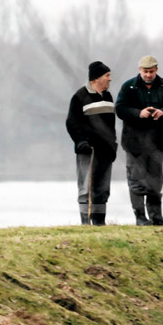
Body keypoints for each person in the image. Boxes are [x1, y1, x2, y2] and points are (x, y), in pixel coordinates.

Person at [115, 55, 163, 225]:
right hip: (134, 142)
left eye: (151, 71)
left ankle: (156, 217)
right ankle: (140, 217)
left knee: (155, 180)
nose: (148, 75)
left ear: (156, 70)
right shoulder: (128, 87)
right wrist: (138, 113)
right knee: (136, 180)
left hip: (157, 141)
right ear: (139, 70)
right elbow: (120, 109)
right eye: (145, 71)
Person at [65, 61, 118, 225]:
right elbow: (71, 123)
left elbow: (111, 125)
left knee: (102, 188)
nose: (110, 79)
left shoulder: (108, 96)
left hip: (105, 151)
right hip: (88, 150)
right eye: (107, 76)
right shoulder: (80, 96)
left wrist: (113, 144)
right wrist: (81, 142)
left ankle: (99, 222)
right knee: (86, 188)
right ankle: (85, 223)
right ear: (96, 78)